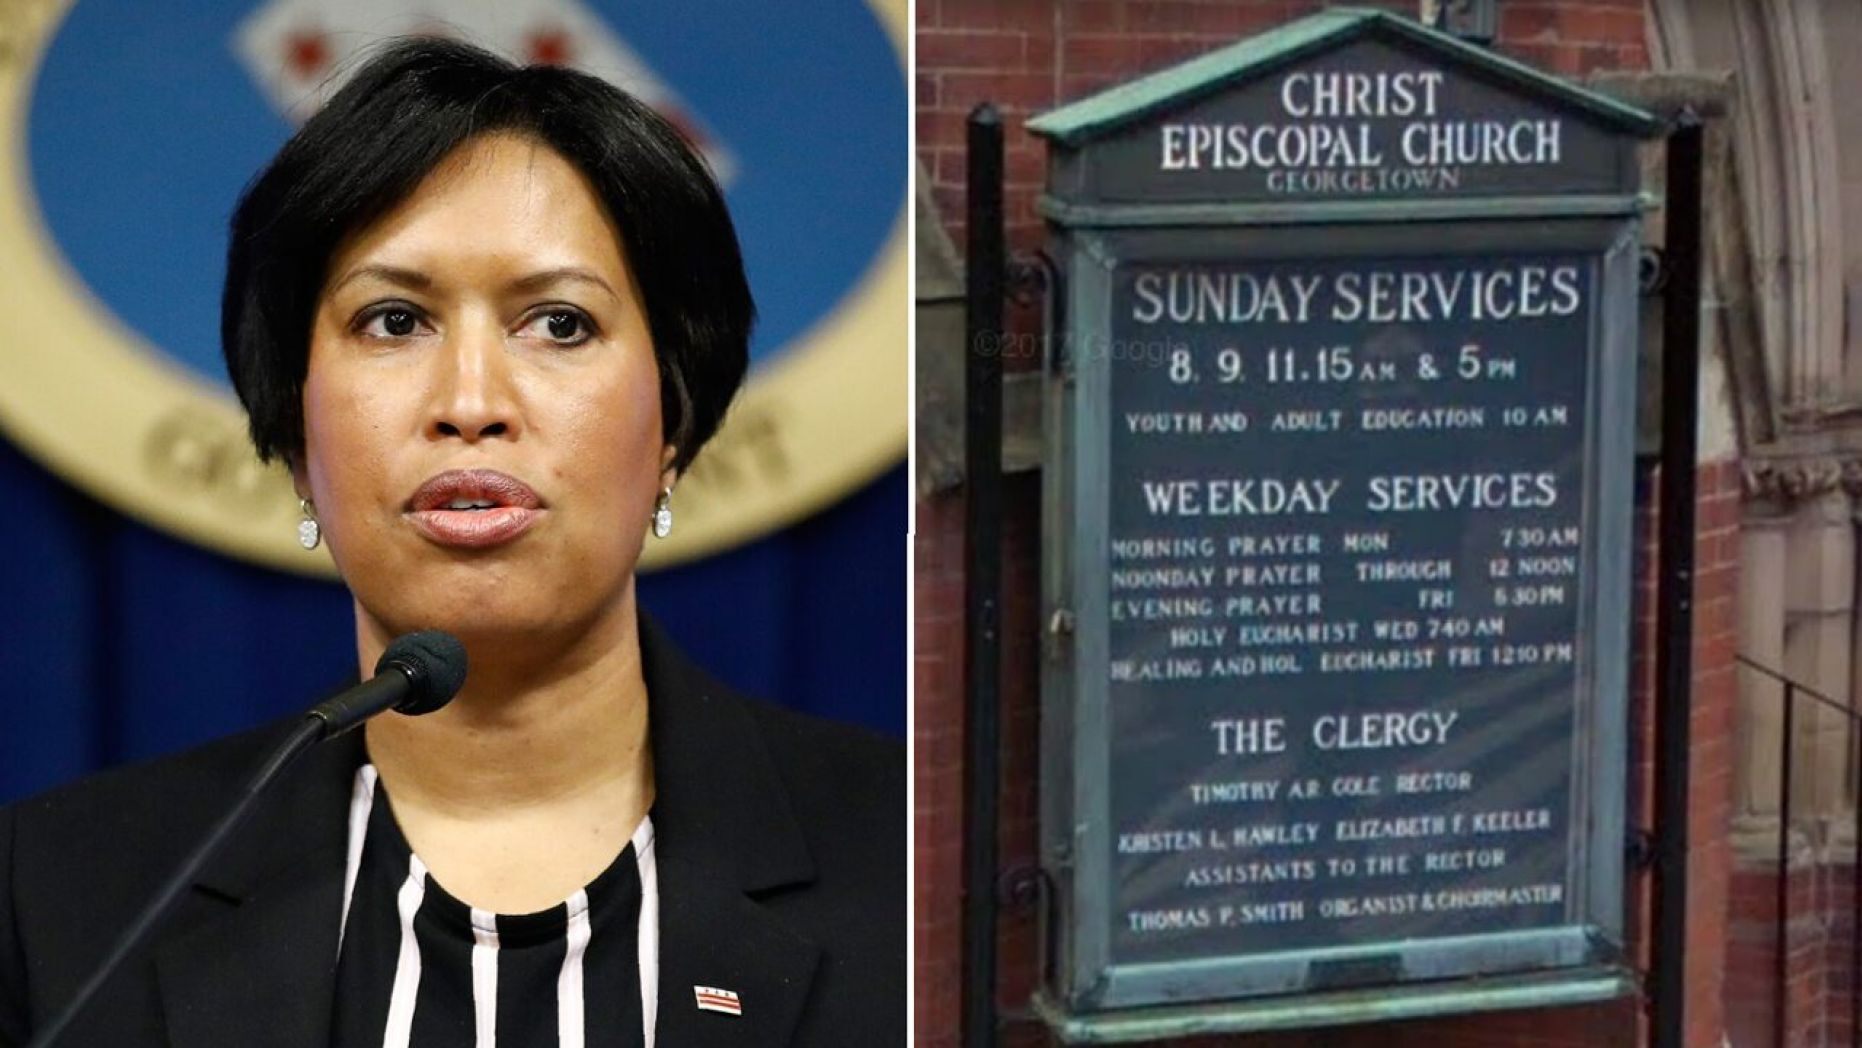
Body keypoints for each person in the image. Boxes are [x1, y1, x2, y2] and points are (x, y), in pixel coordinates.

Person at [0, 37, 902, 1047]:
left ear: (673, 424)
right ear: (296, 437)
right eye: (394, 321)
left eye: (559, 324)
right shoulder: (66, 895)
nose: (470, 403)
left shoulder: (910, 860)